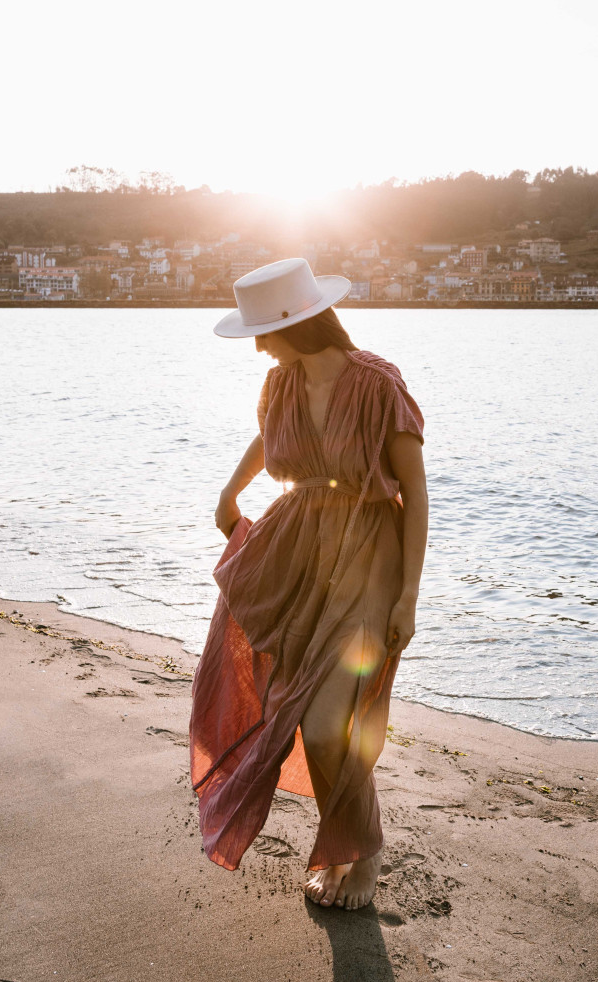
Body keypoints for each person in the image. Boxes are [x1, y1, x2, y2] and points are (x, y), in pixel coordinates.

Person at [189, 258, 428, 911]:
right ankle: (342, 848)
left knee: (325, 730)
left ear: (296, 324)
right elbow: (268, 439)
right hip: (299, 553)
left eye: (263, 332)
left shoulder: (378, 384)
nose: (259, 346)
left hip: (369, 557)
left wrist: (408, 596)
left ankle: (364, 852)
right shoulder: (281, 383)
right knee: (296, 709)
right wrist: (229, 491)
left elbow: (415, 492)